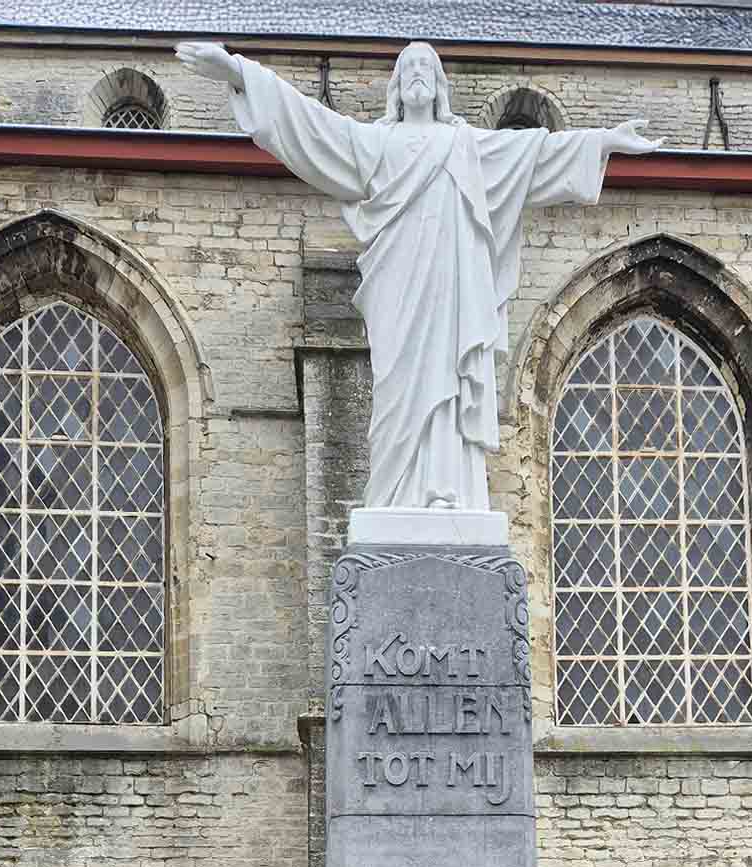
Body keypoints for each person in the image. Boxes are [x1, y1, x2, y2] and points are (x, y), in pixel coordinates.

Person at [177, 40, 662, 513]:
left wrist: (603, 142)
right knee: (397, 388)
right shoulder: (376, 144)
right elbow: (314, 126)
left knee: (446, 380)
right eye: (406, 70)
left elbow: (533, 155)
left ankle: (444, 488)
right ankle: (394, 495)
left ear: (438, 86)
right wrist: (239, 72)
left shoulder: (464, 145)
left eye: (424, 70)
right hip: (397, 284)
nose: (415, 77)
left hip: (449, 286)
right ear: (395, 86)